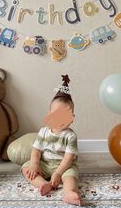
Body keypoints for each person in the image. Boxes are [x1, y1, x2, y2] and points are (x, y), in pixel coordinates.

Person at [21, 75, 81, 206]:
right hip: (45, 163)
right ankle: (43, 184)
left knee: (70, 177)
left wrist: (59, 173)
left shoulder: (70, 136)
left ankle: (69, 193)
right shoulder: (43, 132)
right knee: (26, 168)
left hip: (64, 166)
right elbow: (36, 151)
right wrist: (35, 164)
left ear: (72, 118)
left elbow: (68, 158)